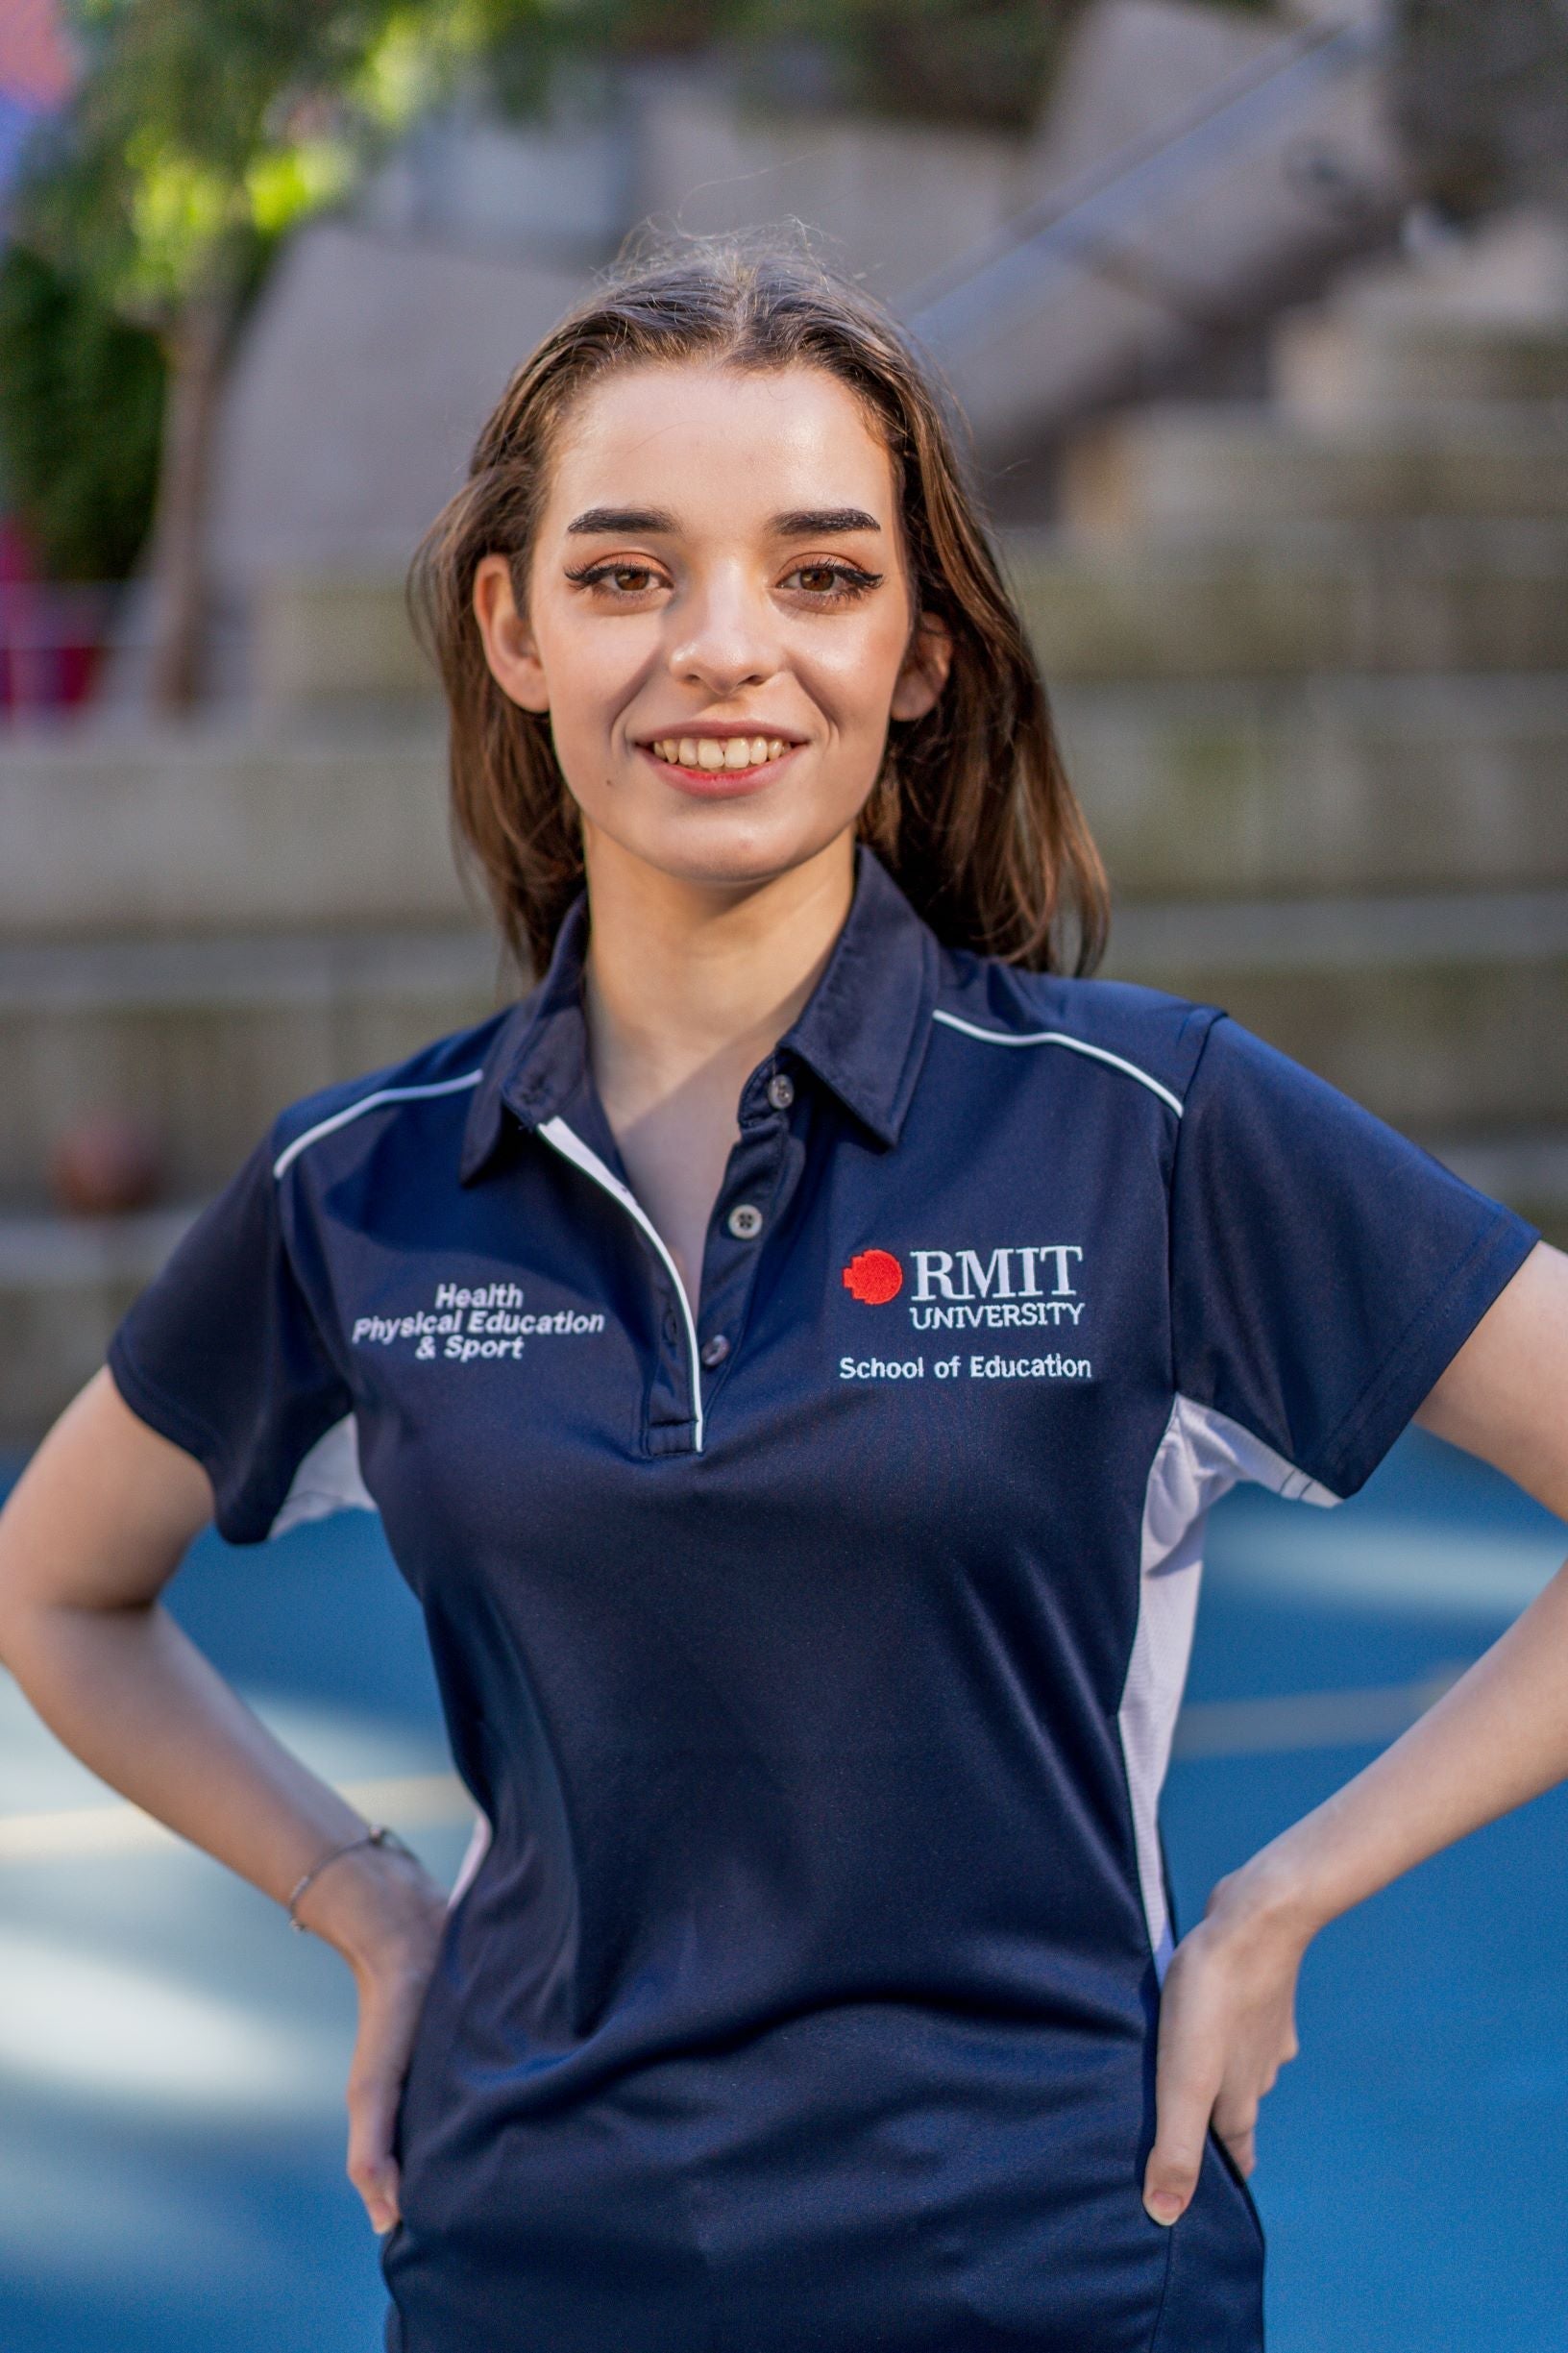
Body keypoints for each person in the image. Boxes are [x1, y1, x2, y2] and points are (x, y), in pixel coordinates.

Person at [2, 229, 1566, 2353]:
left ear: (921, 646)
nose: (724, 649)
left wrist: (1281, 1901)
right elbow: (54, 1584)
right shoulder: (362, 1185)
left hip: (1047, 2272)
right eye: (629, 572)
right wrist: (360, 1900)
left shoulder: (1150, 1125)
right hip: (533, 2266)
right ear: (516, 626)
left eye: (821, 574)